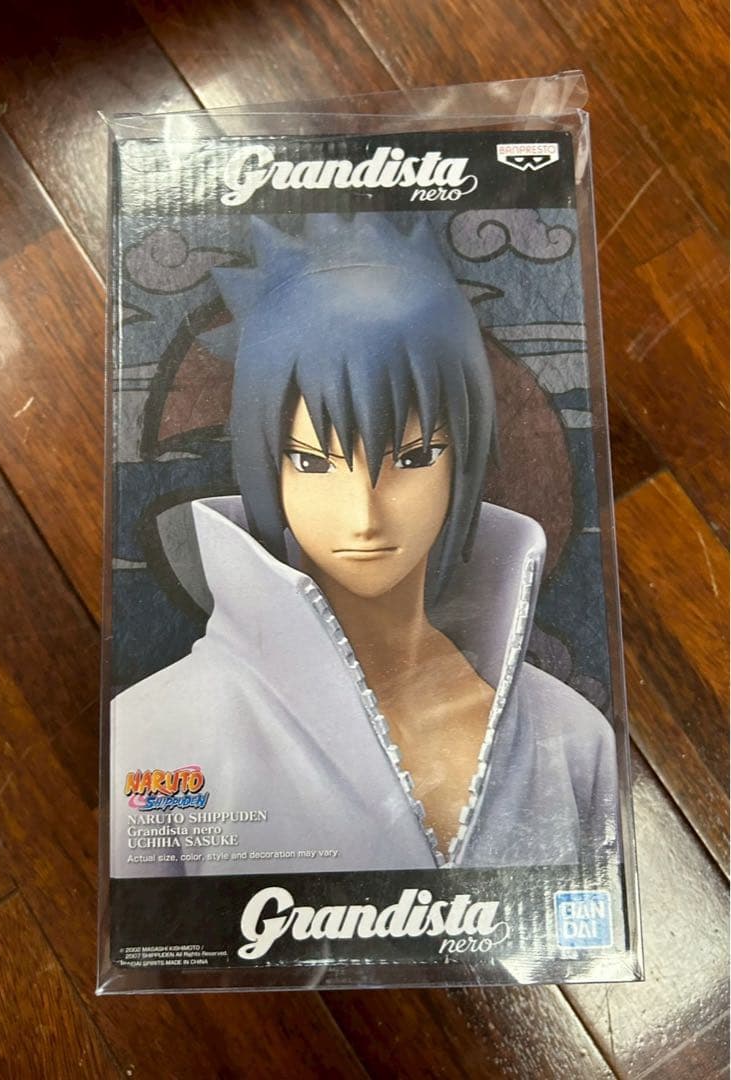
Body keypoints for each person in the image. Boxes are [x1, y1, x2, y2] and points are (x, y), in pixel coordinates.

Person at [110, 214, 619, 878]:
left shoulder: (571, 739)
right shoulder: (155, 734)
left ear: (462, 459)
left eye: (413, 457)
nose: (363, 513)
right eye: (312, 462)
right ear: (265, 467)